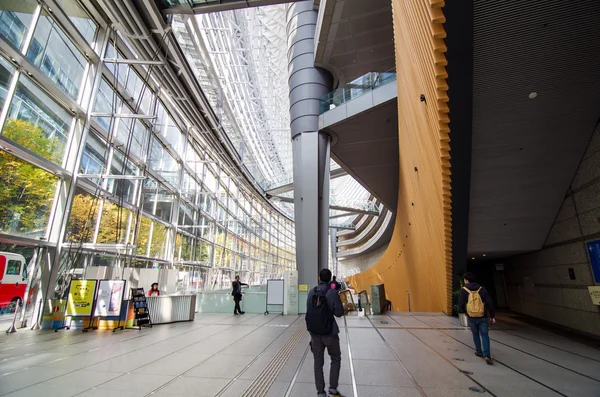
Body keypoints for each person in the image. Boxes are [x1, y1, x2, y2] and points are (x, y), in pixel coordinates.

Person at [306, 269, 345, 397]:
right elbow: (339, 313)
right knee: (335, 358)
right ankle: (333, 388)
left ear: (319, 278)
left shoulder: (312, 291)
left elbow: (309, 311)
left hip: (315, 334)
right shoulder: (332, 292)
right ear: (329, 280)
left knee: (318, 363)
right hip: (330, 333)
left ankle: (320, 392)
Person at [458, 272, 496, 365]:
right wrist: (492, 316)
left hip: (471, 316)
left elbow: (461, 303)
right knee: (485, 335)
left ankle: (479, 352)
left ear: (466, 280)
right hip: (482, 316)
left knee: (475, 334)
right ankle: (487, 355)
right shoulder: (482, 289)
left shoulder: (464, 290)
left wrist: (465, 312)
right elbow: (490, 303)